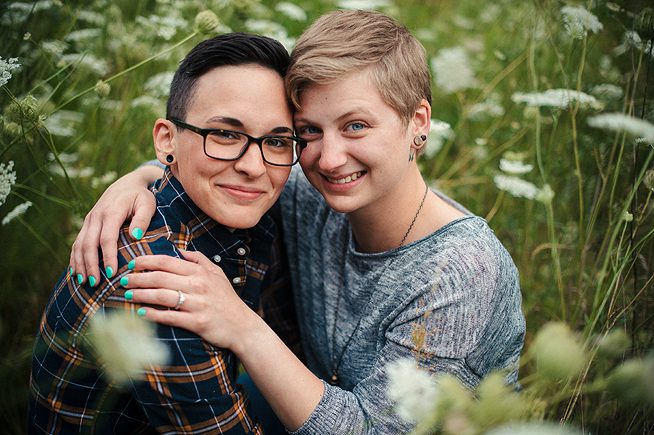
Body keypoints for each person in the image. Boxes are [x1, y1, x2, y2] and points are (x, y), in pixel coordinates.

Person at [69, 10, 526, 434]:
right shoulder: (314, 193)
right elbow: (214, 165)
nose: (328, 159)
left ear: (418, 122)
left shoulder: (462, 273)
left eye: (355, 126)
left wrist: (243, 325)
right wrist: (140, 180)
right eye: (308, 131)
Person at [28, 32, 307, 433]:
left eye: (277, 141)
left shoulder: (250, 215)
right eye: (225, 134)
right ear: (166, 140)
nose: (253, 166)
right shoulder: (155, 281)